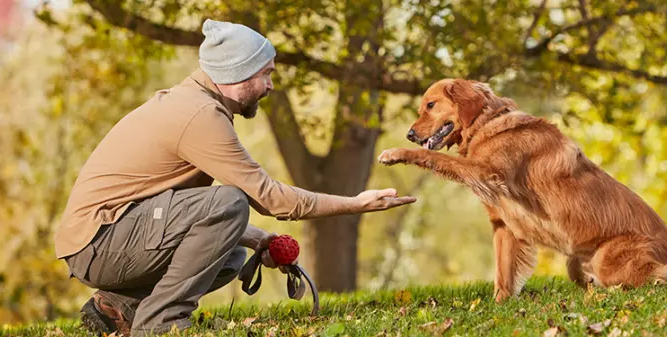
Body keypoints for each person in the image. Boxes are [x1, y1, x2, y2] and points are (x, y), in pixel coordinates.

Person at [53, 19, 416, 337]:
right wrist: (355, 204)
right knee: (229, 201)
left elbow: (182, 215)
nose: (271, 86)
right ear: (236, 73)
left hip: (107, 240)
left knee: (229, 255)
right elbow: (271, 200)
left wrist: (259, 239)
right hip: (99, 244)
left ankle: (116, 309)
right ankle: (160, 324)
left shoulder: (195, 104)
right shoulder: (199, 116)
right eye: (266, 74)